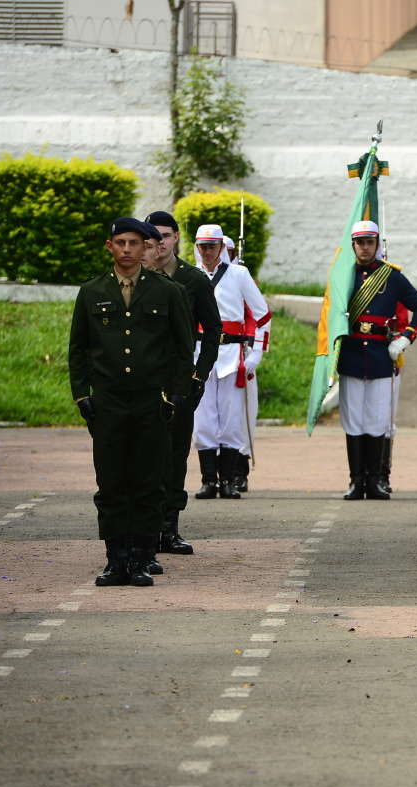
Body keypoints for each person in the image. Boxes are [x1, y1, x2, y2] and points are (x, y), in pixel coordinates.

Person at [68, 217, 193, 587]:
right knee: (111, 482)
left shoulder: (167, 292)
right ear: (110, 247)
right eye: (119, 242)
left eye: (133, 243)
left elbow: (182, 349)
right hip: (107, 403)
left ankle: (140, 558)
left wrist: (174, 395)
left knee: (148, 482)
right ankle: (114, 559)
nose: (126, 249)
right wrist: (81, 395)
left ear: (145, 248)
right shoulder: (91, 292)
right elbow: (78, 349)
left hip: (150, 402)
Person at [144, 211, 221, 554]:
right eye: (152, 237)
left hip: (179, 382)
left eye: (164, 236)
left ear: (176, 238)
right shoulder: (138, 278)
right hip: (143, 380)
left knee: (175, 455)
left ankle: (169, 527)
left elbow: (213, 330)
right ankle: (145, 526)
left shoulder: (192, 280)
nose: (159, 243)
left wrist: (199, 374)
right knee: (145, 455)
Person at [336, 220, 417, 499]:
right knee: (353, 420)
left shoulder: (392, 277)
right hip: (352, 354)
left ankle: (376, 480)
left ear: (377, 245)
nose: (364, 248)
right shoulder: (343, 275)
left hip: (380, 355)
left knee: (377, 420)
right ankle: (356, 481)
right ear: (352, 245)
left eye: (369, 242)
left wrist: (405, 338)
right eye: (360, 242)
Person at [190, 223, 271, 499]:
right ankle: (208, 480)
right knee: (203, 420)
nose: (208, 252)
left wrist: (257, 353)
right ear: (196, 248)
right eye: (203, 247)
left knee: (232, 420)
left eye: (212, 247)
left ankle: (229, 481)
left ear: (222, 248)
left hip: (232, 354)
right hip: (199, 355)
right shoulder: (189, 275)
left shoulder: (239, 274)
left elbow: (262, 316)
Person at [224, 234, 254, 492]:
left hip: (241, 355)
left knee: (241, 419)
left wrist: (253, 353)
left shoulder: (241, 278)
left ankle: (239, 471)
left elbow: (254, 316)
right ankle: (219, 475)